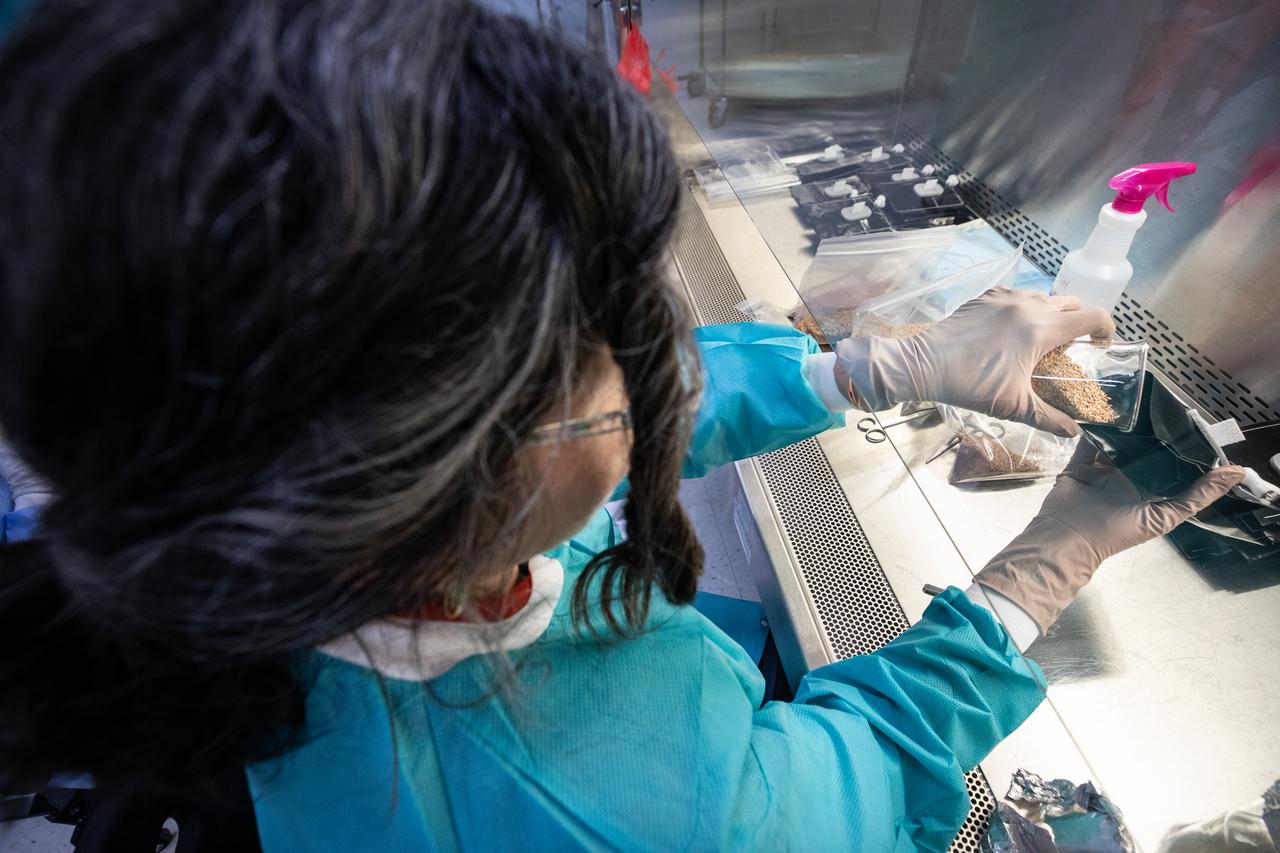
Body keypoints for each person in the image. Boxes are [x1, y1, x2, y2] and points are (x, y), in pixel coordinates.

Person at [0, 1, 1243, 850]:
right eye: (608, 334)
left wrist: (868, 371)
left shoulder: (251, 537)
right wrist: (1041, 570)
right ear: (467, 469)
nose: (658, 356)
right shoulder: (640, 807)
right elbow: (863, 776)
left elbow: (574, 447)